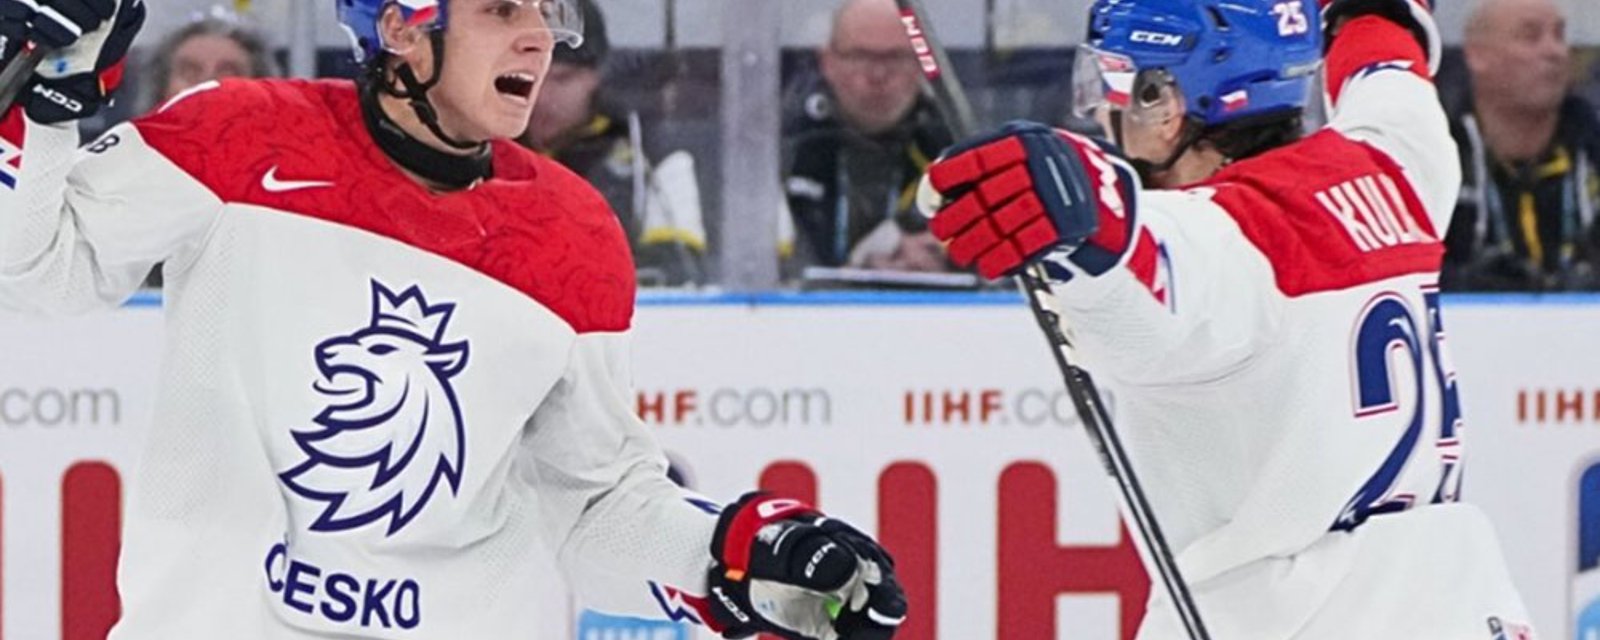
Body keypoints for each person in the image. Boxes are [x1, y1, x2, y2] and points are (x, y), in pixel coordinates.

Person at [0, 0, 905, 638]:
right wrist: (34, 104)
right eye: (502, 9)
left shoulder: (572, 229)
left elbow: (592, 509)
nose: (538, 38)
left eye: (545, 13)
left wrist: (735, 553)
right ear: (401, 24)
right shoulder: (238, 137)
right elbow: (33, 275)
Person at [920, 0, 1535, 637]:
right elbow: (1383, 51)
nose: (1102, 114)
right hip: (1464, 608)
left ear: (1165, 107)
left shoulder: (1216, 241)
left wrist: (1077, 198)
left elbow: (1136, 255)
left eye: (1115, 86)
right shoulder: (1394, 164)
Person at [518, 0, 706, 286]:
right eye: (529, 79)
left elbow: (676, 272)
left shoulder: (652, 152)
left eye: (561, 79)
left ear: (597, 76)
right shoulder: (478, 146)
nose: (541, 97)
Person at [783, 0, 952, 276]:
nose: (878, 75)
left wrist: (946, 260)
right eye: (860, 56)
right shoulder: (782, 150)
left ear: (921, 63)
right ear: (827, 61)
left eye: (895, 57)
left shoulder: (954, 150)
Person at [1442, 0, 1600, 291]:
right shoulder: (1439, 159)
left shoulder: (1591, 151)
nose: (1555, 51)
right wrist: (1465, 283)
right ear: (1477, 55)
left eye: (1560, 35)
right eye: (1531, 36)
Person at [142, 7, 278, 111]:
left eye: (227, 75)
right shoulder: (128, 146)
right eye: (190, 73)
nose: (206, 83)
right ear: (161, 88)